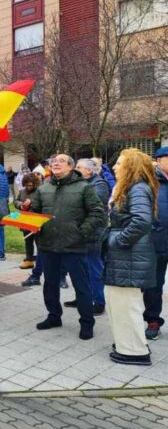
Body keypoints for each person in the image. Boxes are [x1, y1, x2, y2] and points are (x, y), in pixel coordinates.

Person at [27, 154, 106, 340]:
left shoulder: (84, 187)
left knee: (82, 286)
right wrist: (25, 207)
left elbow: (97, 213)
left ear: (71, 167)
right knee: (50, 284)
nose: (55, 163)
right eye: (53, 161)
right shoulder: (44, 187)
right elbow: (35, 212)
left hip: (74, 246)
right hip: (48, 245)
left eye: (61, 161)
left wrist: (81, 232)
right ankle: (54, 316)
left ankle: (87, 323)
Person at [104, 148, 158, 365]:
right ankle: (127, 344)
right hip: (127, 256)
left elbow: (141, 222)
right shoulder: (132, 188)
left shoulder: (137, 188)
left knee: (126, 304)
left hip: (129, 256)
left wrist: (117, 241)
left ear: (131, 167)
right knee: (121, 303)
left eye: (119, 163)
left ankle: (134, 351)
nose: (115, 167)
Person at [64, 159, 110, 315]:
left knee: (94, 268)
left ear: (89, 171)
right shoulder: (80, 184)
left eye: (78, 167)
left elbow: (87, 206)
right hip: (81, 232)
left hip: (94, 233)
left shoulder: (100, 184)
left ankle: (99, 302)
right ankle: (83, 298)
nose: (75, 170)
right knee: (81, 269)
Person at [144, 146, 168, 341]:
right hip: (157, 242)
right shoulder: (149, 183)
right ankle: (153, 320)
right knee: (154, 284)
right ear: (159, 161)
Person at [16, 173, 41, 271]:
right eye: (27, 185)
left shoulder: (40, 191)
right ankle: (29, 259)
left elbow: (42, 203)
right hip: (25, 220)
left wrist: (31, 202)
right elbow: (16, 201)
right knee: (28, 241)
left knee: (39, 242)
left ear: (35, 184)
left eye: (31, 185)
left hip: (36, 220)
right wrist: (20, 205)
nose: (29, 187)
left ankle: (41, 261)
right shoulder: (22, 192)